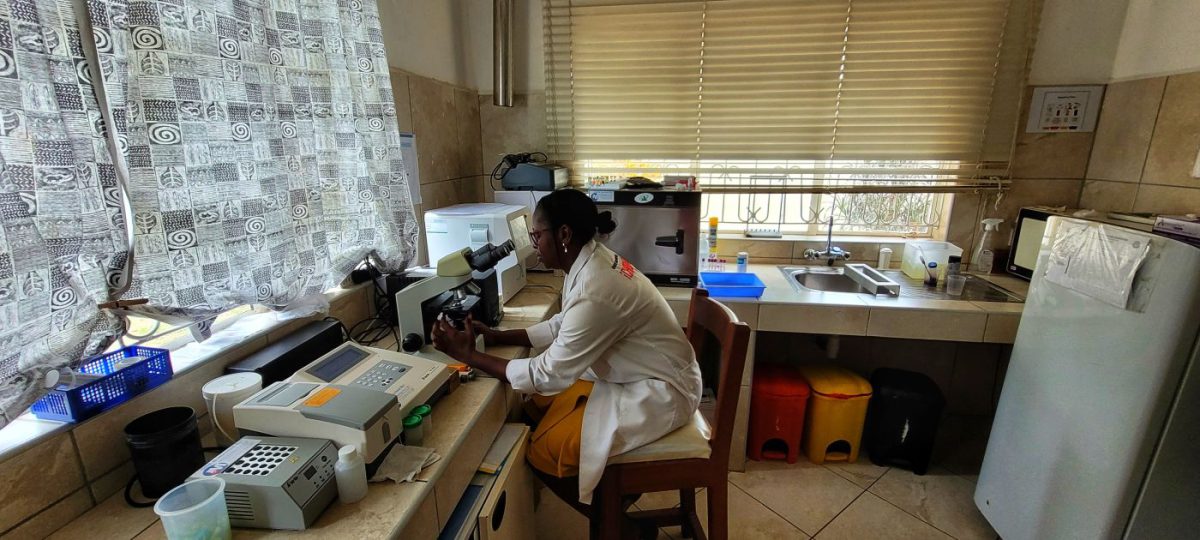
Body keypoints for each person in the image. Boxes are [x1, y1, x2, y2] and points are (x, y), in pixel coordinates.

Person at [431, 189, 702, 505]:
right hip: (642, 373)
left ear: (563, 234)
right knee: (538, 405)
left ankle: (613, 518)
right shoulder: (592, 260)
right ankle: (611, 496)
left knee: (543, 450)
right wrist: (497, 336)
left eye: (537, 235)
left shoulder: (595, 285)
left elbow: (548, 374)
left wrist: (469, 356)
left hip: (664, 390)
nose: (534, 244)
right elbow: (564, 323)